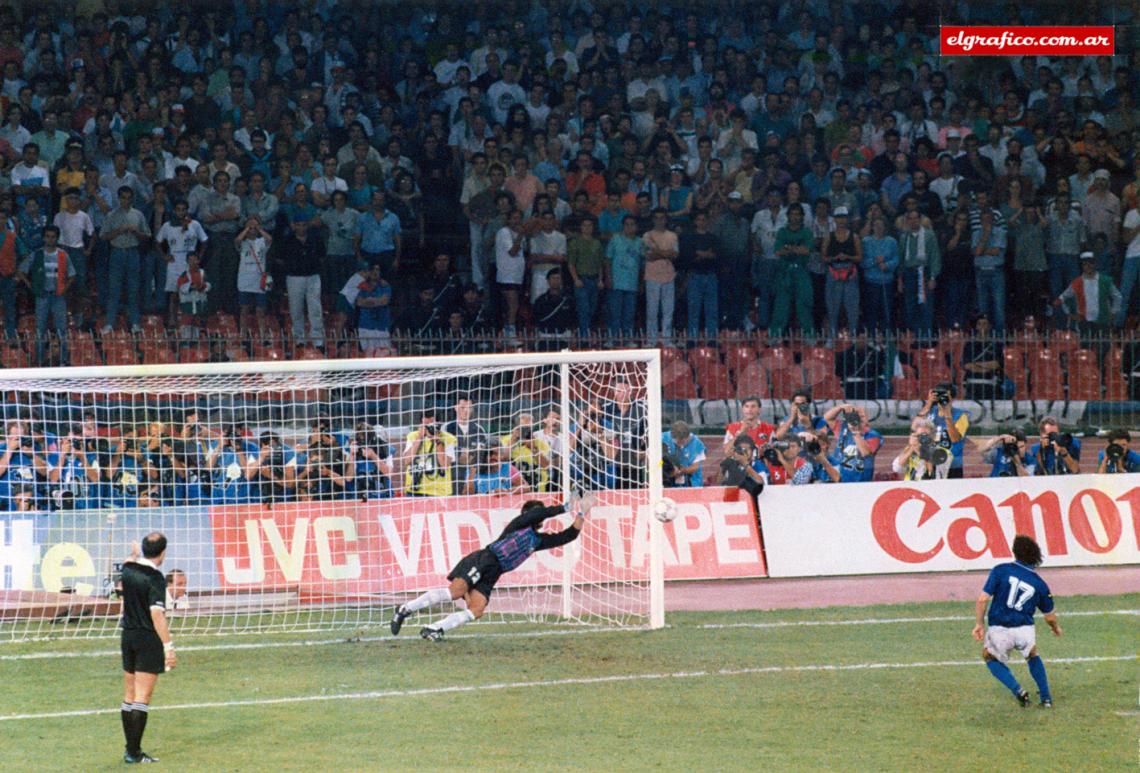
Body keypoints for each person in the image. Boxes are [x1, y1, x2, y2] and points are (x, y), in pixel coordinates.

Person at [390, 492, 591, 641]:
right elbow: (534, 515)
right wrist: (564, 508)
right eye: (537, 514)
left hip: (494, 572)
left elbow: (568, 535)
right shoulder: (518, 525)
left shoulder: (536, 540)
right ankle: (405, 609)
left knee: (476, 610)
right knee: (456, 591)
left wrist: (582, 511)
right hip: (484, 559)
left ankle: (435, 628)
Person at [972, 534, 1061, 708]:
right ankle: (1046, 698)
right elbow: (1049, 615)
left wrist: (979, 624)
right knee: (1032, 655)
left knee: (989, 657)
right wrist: (1055, 627)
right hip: (1025, 629)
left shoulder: (1000, 570)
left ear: (1015, 552)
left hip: (1000, 628)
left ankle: (1018, 690)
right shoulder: (1039, 583)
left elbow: (982, 599)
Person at [119, 532, 177, 764]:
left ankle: (131, 750)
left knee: (129, 694)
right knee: (142, 697)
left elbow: (127, 562)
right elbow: (156, 614)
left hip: (128, 636)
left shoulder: (128, 569)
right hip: (147, 639)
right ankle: (133, 752)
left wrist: (133, 555)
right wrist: (168, 647)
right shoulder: (155, 578)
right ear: (163, 553)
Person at [16, 225, 73, 365]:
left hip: (58, 296)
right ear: (43, 237)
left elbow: (72, 275)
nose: (50, 239)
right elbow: (21, 271)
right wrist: (31, 286)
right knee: (40, 329)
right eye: (47, 236)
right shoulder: (36, 254)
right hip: (42, 296)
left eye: (53, 236)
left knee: (62, 329)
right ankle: (40, 360)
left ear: (57, 238)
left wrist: (64, 289)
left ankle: (64, 360)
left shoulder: (63, 255)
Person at [916, 383, 970, 478]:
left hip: (951, 465)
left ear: (952, 399)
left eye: (945, 396)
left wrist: (948, 415)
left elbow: (955, 439)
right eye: (939, 395)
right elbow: (915, 426)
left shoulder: (961, 415)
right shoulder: (930, 412)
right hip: (929, 462)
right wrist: (928, 403)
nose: (942, 399)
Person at [823, 403, 883, 482]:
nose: (860, 419)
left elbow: (866, 453)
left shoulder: (873, 435)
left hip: (860, 479)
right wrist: (840, 407)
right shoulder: (843, 429)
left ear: (867, 419)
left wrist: (855, 432)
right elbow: (827, 418)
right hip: (839, 477)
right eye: (857, 416)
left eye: (863, 416)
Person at [402, 410, 456, 497]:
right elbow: (406, 461)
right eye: (426, 425)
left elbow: (445, 464)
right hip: (415, 490)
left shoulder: (448, 438)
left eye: (431, 425)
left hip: (439, 492)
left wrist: (438, 442)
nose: (429, 428)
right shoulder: (413, 436)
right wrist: (420, 437)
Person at [662, 419, 706, 487]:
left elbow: (695, 467)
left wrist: (681, 471)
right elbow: (655, 461)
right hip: (667, 480)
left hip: (691, 481)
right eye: (677, 442)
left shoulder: (697, 444)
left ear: (687, 437)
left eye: (682, 442)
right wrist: (666, 470)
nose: (680, 445)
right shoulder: (663, 438)